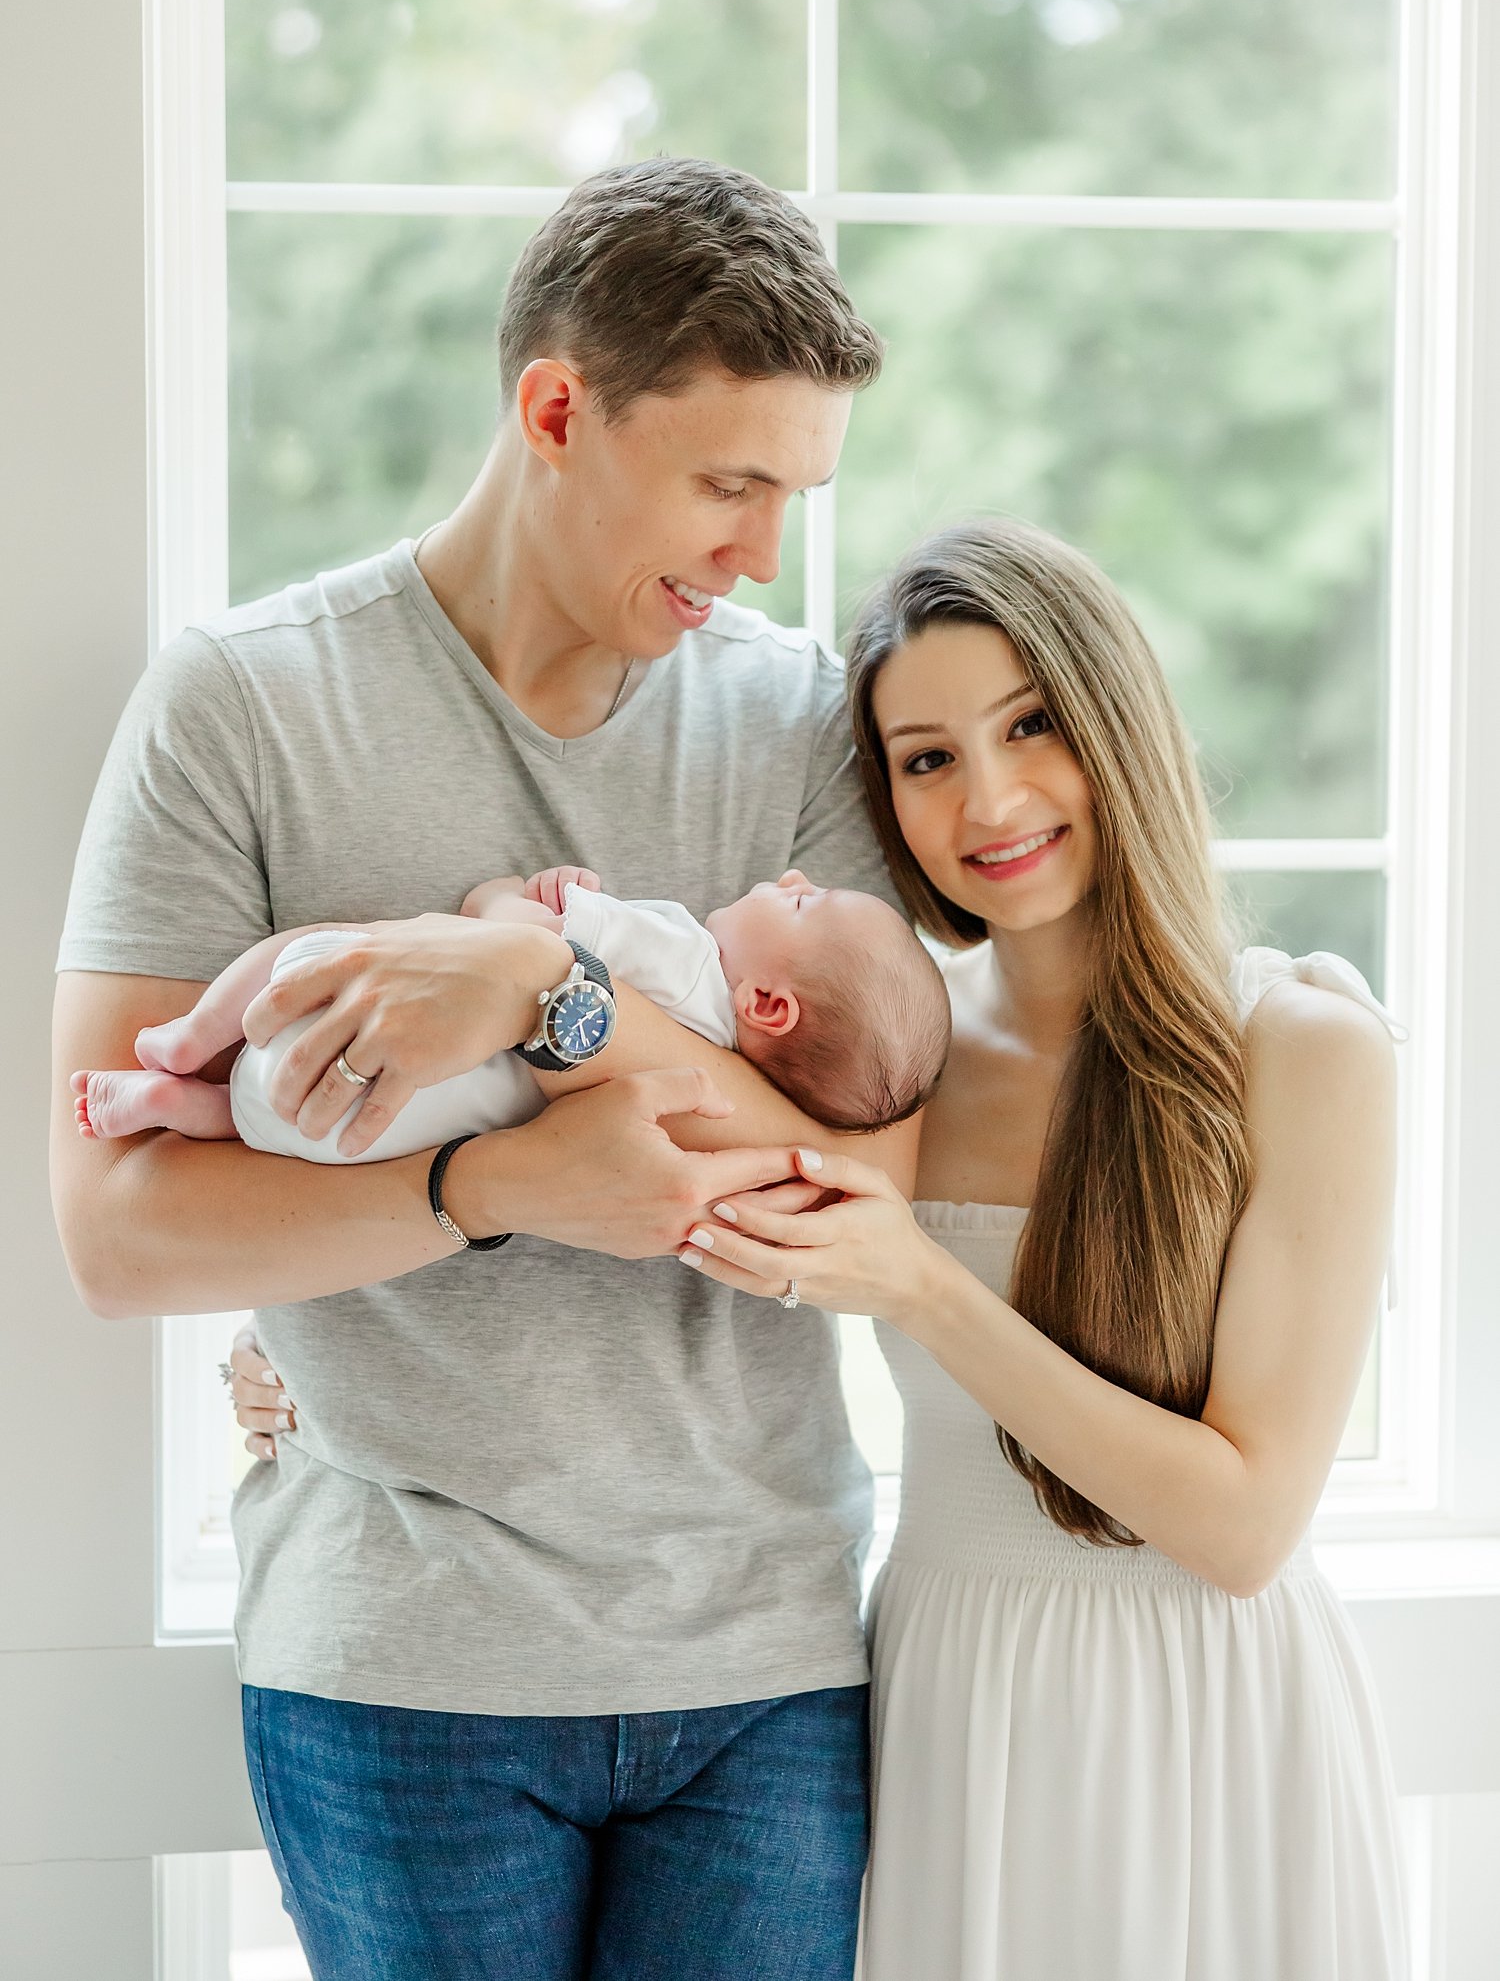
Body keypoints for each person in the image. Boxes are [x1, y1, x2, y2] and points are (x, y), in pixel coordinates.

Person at [51, 158, 913, 1981]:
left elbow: (877, 1176)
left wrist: (544, 990)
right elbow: (120, 1235)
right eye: (729, 484)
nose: (761, 551)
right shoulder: (243, 706)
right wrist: (482, 1190)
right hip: (400, 1663)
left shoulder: (796, 723)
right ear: (553, 412)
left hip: (764, 1662)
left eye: (791, 496)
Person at [657, 518, 1408, 1980]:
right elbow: (635, 1203)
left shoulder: (1303, 1047)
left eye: (1030, 724)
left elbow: (1245, 1525)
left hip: (1210, 1715)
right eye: (926, 757)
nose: (987, 795)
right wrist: (289, 1369)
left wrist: (924, 1283)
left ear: (1114, 721)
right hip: (953, 1697)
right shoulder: (888, 1058)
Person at [71, 860, 949, 1151]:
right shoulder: (711, 1098)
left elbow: (512, 939)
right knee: (270, 1121)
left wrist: (515, 895)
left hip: (337, 1014)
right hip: (365, 1134)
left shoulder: (681, 957)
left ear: (767, 1003)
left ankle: (187, 1042)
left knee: (308, 947)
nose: (791, 877)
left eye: (803, 903)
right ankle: (187, 1106)